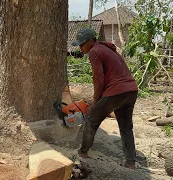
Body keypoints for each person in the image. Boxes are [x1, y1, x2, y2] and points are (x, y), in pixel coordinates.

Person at [72, 28, 139, 169]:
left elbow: (98, 79)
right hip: (131, 89)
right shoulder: (107, 48)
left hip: (116, 91)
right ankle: (130, 162)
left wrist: (96, 101)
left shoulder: (94, 52)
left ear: (90, 41)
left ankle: (83, 152)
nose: (80, 47)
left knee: (91, 119)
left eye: (82, 44)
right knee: (126, 127)